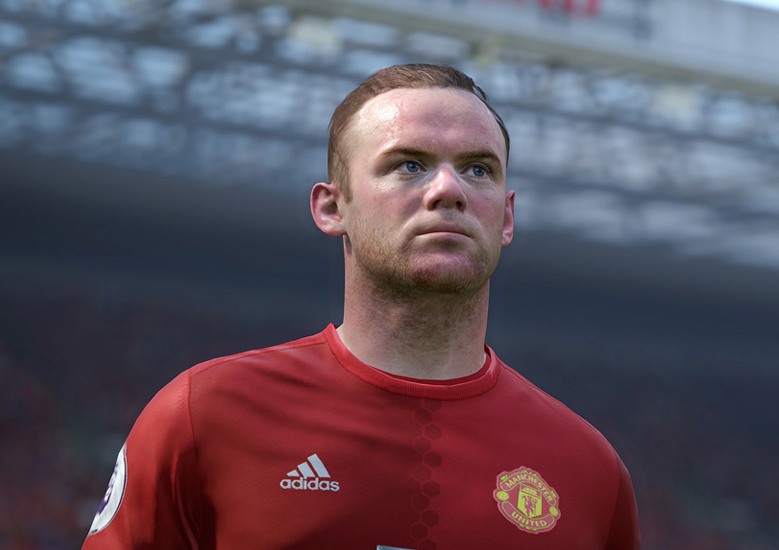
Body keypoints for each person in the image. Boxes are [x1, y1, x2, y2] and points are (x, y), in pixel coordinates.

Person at [82, 64, 640, 550]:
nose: (449, 189)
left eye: (479, 169)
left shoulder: (589, 468)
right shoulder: (203, 416)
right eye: (409, 165)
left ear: (508, 217)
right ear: (332, 207)